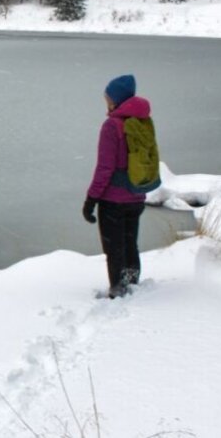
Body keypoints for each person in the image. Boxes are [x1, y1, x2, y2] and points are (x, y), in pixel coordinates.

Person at [82, 74, 151, 298]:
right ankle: (132, 283)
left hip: (113, 199)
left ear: (116, 99)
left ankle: (118, 290)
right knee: (130, 243)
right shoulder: (142, 121)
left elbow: (105, 168)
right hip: (136, 195)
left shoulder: (112, 126)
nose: (106, 102)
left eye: (108, 98)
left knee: (114, 248)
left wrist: (91, 199)